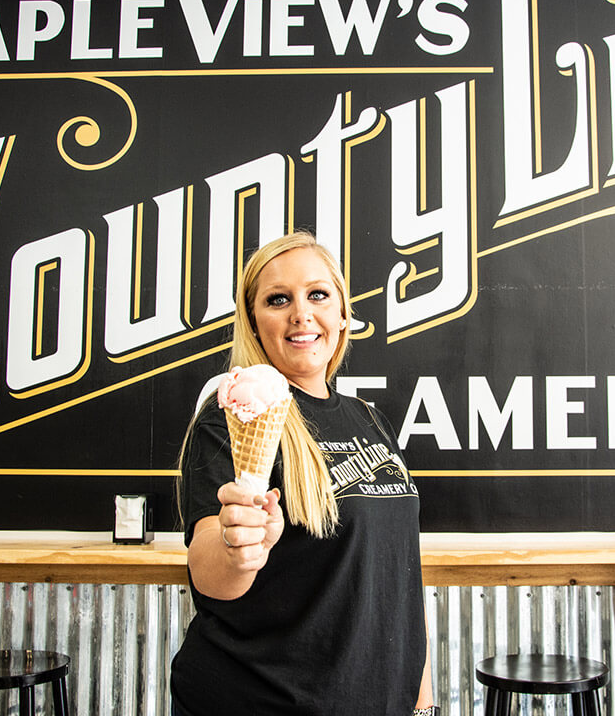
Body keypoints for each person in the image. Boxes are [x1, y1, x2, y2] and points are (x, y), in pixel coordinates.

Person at [171, 231, 435, 716]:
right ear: (253, 322)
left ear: (341, 313)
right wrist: (239, 548)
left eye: (317, 294)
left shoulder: (371, 420)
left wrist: (422, 701)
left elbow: (401, 574)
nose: (301, 314)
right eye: (277, 299)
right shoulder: (230, 418)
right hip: (261, 701)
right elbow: (208, 568)